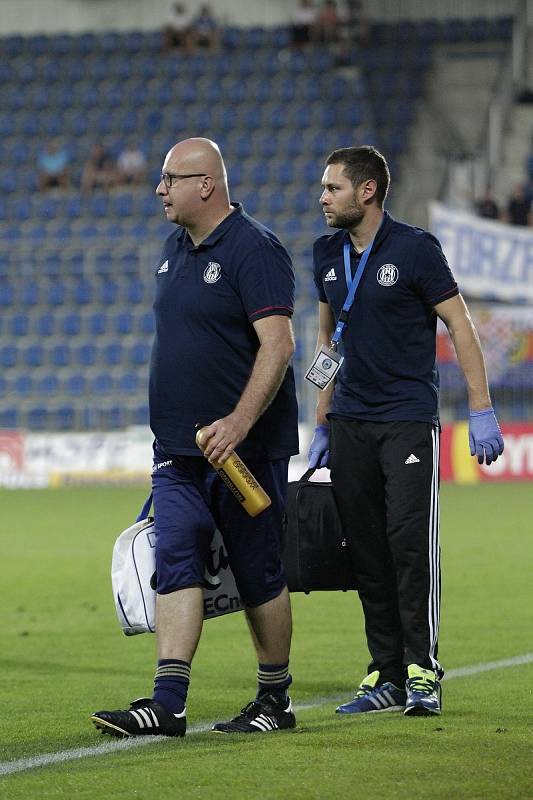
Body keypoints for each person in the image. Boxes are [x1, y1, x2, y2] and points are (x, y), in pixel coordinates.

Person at [91, 138, 299, 738]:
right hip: (178, 454)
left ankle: (274, 700)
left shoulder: (255, 249)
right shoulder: (171, 249)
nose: (159, 189)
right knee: (174, 558)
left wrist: (238, 423)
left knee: (260, 572)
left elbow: (279, 345)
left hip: (244, 454)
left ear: (205, 184)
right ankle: (168, 703)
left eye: (170, 179)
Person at [307, 145, 504, 717]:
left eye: (332, 188)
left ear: (366, 191)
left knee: (408, 544)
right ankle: (384, 673)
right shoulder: (324, 254)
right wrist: (321, 420)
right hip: (350, 424)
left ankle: (423, 670)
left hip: (406, 422)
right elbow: (328, 344)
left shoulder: (416, 250)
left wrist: (481, 405)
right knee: (366, 552)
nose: (322, 197)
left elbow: (460, 325)